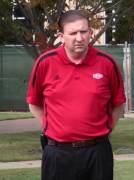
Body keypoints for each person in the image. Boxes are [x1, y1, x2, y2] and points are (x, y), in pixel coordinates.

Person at [26, 10, 126, 180]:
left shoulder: (107, 64)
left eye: (83, 32)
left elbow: (118, 104)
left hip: (97, 153)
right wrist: (51, 128)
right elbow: (34, 103)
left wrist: (106, 129)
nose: (79, 38)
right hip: (57, 154)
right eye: (73, 33)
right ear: (61, 36)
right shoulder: (45, 63)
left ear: (90, 33)